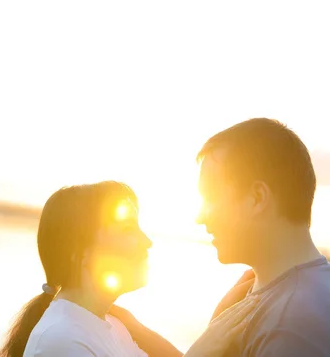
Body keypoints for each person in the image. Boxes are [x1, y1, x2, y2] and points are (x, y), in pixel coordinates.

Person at [115, 118, 330, 356]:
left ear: (257, 199)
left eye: (210, 197)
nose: (200, 217)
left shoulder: (291, 326)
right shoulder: (282, 293)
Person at [0, 181, 258, 357]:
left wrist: (221, 318)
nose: (146, 241)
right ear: (83, 253)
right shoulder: (61, 339)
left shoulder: (111, 325)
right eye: (127, 230)